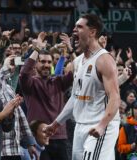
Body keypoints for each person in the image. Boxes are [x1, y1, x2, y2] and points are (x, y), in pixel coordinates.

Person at [44, 14, 121, 160]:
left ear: (92, 32)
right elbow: (75, 97)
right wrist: (56, 123)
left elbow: (115, 97)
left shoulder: (104, 59)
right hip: (80, 125)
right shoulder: (78, 61)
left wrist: (102, 125)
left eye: (79, 27)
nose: (74, 30)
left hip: (100, 124)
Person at [19, 32, 73, 160]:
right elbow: (24, 73)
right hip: (38, 139)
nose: (46, 65)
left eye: (49, 62)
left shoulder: (59, 81)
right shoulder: (30, 83)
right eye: (42, 61)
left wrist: (70, 51)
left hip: (60, 137)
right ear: (36, 64)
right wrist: (36, 49)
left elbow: (76, 71)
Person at [0, 50, 37, 160]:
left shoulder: (6, 87)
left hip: (14, 149)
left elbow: (19, 114)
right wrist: (5, 67)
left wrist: (29, 142)